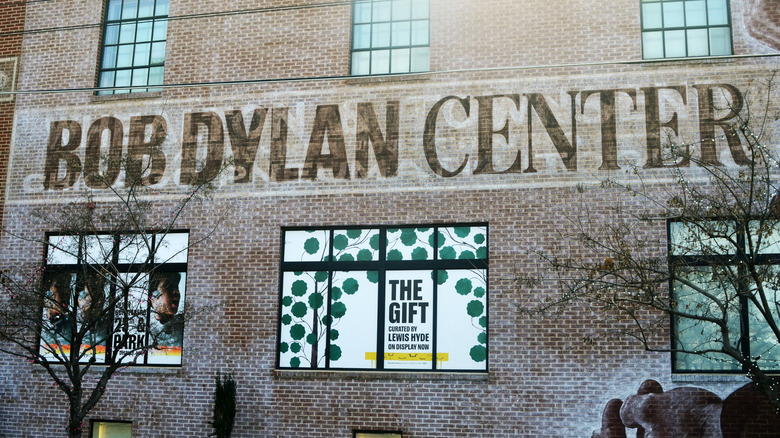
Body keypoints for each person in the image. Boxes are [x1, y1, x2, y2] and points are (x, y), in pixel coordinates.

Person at [150, 272, 184, 347]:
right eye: (168, 286)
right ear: (154, 296)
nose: (176, 291)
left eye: (177, 287)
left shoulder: (182, 326)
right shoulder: (148, 328)